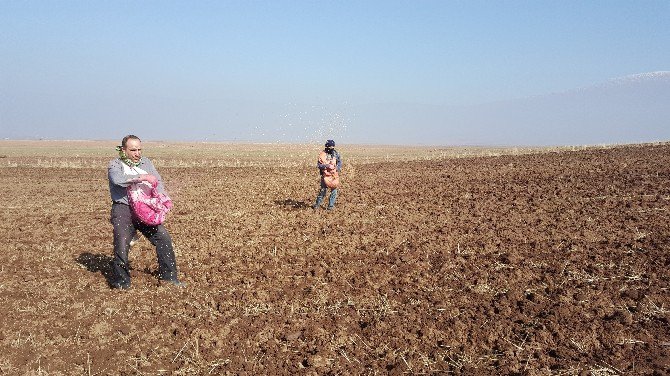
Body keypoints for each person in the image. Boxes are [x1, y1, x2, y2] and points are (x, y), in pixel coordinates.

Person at [107, 135, 185, 289]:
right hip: (124, 208)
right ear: (123, 150)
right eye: (133, 150)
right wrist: (142, 176)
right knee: (122, 241)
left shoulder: (146, 163)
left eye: (139, 149)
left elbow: (157, 181)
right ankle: (122, 282)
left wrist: (161, 198)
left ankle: (169, 277)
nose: (137, 153)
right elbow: (118, 179)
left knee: (163, 238)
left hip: (144, 209)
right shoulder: (115, 165)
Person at [312, 139, 342, 210]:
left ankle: (330, 206)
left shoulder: (336, 154)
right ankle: (317, 205)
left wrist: (337, 168)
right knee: (323, 190)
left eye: (332, 147)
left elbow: (339, 162)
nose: (331, 148)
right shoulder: (322, 155)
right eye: (330, 147)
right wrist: (327, 166)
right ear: (327, 146)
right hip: (325, 176)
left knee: (334, 191)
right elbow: (319, 165)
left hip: (334, 176)